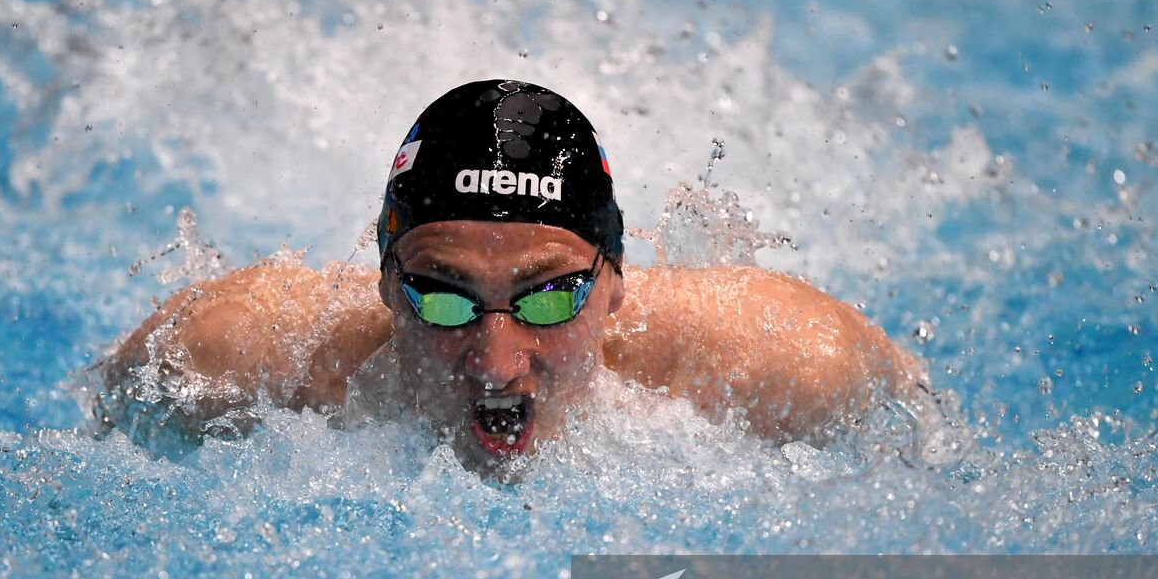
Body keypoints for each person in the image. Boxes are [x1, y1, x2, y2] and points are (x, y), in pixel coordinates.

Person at [94, 79, 925, 473]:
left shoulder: (792, 359)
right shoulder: (228, 355)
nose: (495, 362)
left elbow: (926, 430)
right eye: (444, 298)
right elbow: (111, 407)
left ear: (615, 285)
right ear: (385, 287)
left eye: (552, 296)